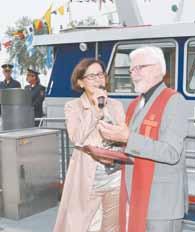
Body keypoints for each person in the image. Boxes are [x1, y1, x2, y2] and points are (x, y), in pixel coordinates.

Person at [98, 46, 188, 232]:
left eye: (140, 68)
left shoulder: (174, 101)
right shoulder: (134, 105)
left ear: (158, 69)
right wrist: (113, 159)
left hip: (161, 203)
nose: (133, 74)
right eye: (131, 69)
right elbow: (133, 150)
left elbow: (171, 153)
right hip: (134, 195)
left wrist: (127, 138)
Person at [54, 58, 128, 232]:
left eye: (100, 74)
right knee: (84, 226)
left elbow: (123, 136)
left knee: (112, 227)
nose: (98, 79)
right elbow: (77, 137)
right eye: (92, 76)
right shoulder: (73, 106)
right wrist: (96, 109)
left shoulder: (116, 105)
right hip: (88, 178)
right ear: (80, 82)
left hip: (115, 177)